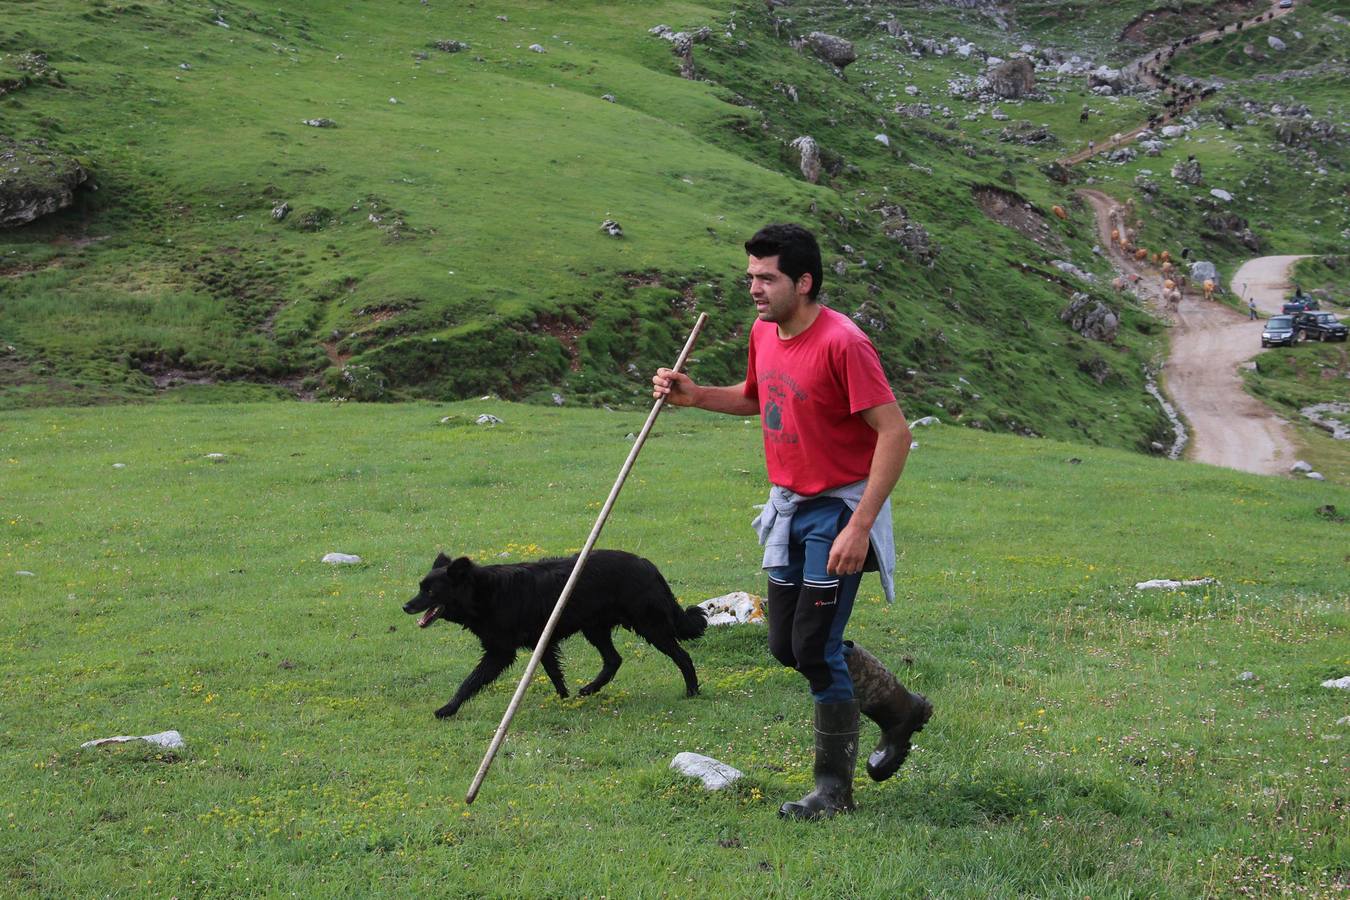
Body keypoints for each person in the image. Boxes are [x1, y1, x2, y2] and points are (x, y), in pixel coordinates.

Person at [652, 223, 931, 820]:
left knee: (814, 645)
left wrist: (859, 525)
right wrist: (696, 395)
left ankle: (833, 791)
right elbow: (758, 396)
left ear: (803, 282)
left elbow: (895, 432)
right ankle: (901, 710)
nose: (753, 287)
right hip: (789, 506)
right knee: (787, 645)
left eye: (767, 277)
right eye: (750, 275)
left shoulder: (844, 343)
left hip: (837, 509)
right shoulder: (764, 332)